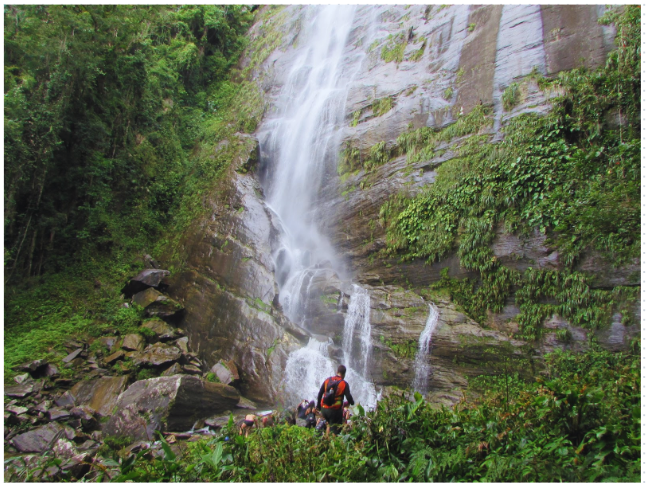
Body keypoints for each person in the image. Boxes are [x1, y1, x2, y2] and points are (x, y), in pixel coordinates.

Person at [317, 364, 354, 435]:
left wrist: (318, 406)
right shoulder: (344, 383)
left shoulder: (327, 380)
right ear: (344, 374)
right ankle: (333, 443)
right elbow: (349, 397)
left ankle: (326, 441)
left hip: (324, 409)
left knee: (329, 425)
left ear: (337, 371)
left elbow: (320, 394)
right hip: (334, 411)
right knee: (335, 429)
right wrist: (351, 402)